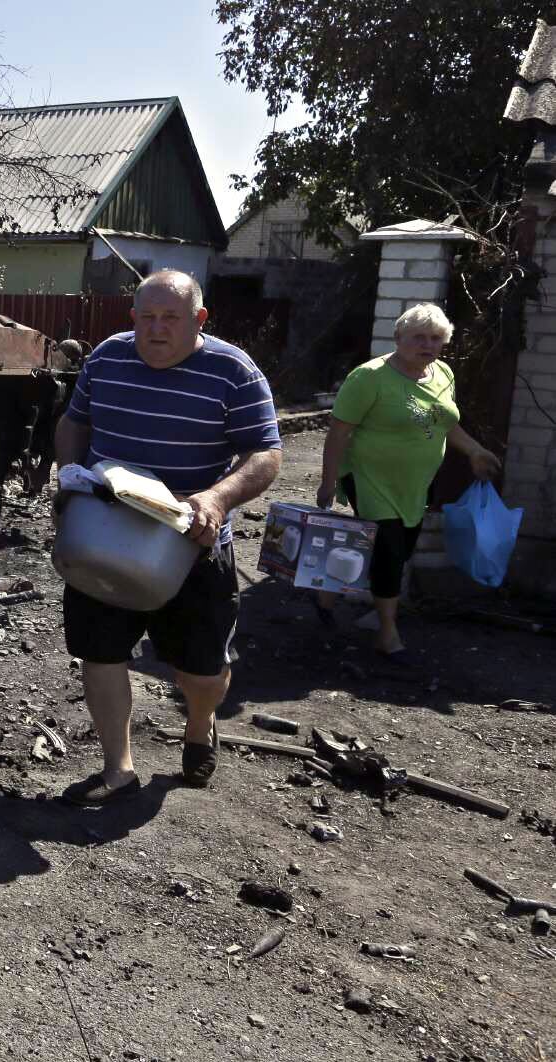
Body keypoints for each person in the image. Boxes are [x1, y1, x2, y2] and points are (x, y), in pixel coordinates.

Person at [53, 270, 282, 802]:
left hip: (191, 540)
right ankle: (119, 767)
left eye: (170, 318)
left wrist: (217, 498)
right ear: (132, 318)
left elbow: (266, 454)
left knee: (200, 670)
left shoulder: (233, 371)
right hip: (105, 533)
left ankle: (199, 724)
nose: (155, 329)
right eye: (146, 318)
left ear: (199, 319)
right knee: (100, 651)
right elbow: (74, 422)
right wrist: (67, 472)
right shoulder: (107, 357)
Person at [313, 303, 501, 660]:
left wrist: (475, 451)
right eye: (418, 337)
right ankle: (387, 631)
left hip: (416, 481)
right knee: (389, 551)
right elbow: (338, 433)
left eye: (435, 338)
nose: (427, 345)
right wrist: (328, 481)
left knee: (398, 551)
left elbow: (445, 423)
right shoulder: (368, 378)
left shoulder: (443, 373)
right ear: (398, 337)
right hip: (370, 477)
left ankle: (330, 589)